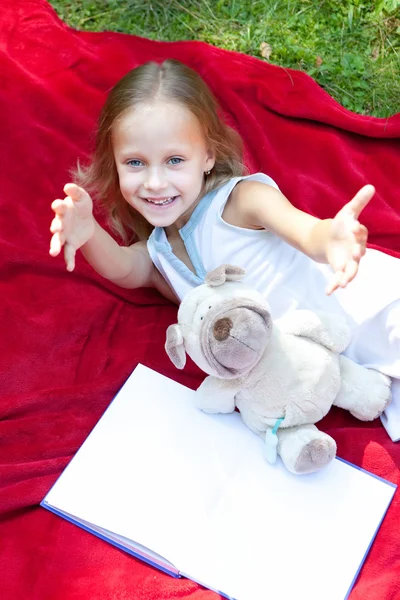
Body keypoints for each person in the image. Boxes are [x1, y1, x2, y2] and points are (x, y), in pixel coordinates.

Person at [49, 59, 400, 439]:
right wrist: (87, 233)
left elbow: (305, 231)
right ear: (115, 165)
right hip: (341, 363)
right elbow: (124, 269)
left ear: (208, 157)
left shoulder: (239, 200)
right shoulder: (160, 252)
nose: (154, 181)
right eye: (135, 162)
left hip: (373, 307)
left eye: (174, 161)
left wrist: (330, 239)